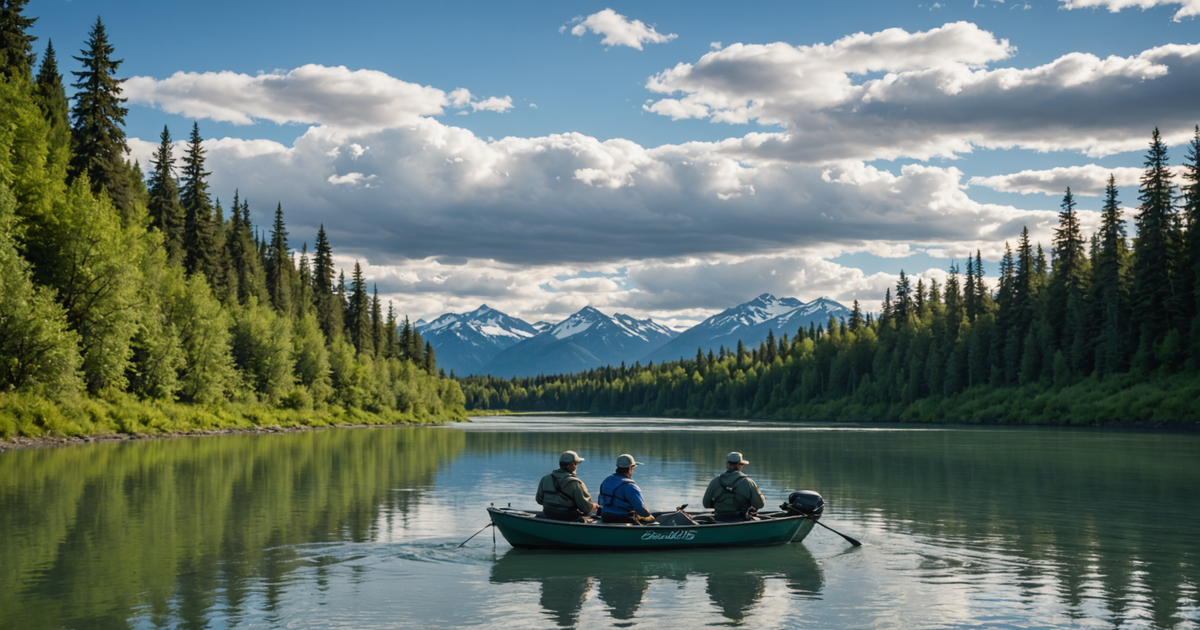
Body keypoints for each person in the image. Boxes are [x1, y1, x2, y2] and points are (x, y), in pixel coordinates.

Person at [535, 450, 599, 521]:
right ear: (569, 465)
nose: (576, 466)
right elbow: (585, 508)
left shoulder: (545, 478)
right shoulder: (576, 483)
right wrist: (592, 506)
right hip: (568, 517)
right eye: (575, 464)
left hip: (548, 513)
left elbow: (539, 500)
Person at [702, 452, 765, 521]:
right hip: (742, 519)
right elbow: (760, 504)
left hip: (719, 518)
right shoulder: (748, 482)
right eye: (742, 464)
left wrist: (721, 505)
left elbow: (706, 504)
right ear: (740, 465)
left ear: (727, 464)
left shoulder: (715, 481)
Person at [598, 454, 655, 524]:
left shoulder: (607, 480)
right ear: (631, 468)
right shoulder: (630, 486)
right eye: (633, 468)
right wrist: (649, 517)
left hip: (605, 516)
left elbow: (601, 501)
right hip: (624, 518)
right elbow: (641, 509)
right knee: (649, 521)